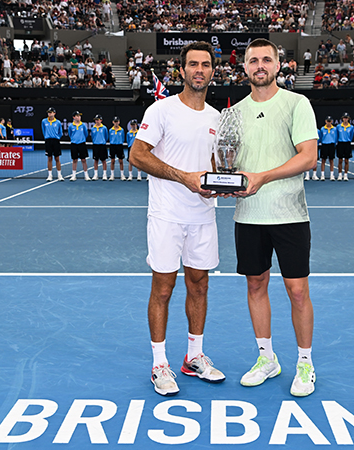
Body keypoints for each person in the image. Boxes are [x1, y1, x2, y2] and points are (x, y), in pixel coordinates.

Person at [128, 41, 225, 396]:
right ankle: (159, 363)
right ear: (182, 71)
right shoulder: (161, 110)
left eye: (205, 65)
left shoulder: (217, 118)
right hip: (167, 215)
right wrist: (183, 176)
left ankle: (194, 357)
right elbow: (137, 155)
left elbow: (214, 169)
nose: (199, 70)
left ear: (212, 71)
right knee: (164, 288)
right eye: (193, 65)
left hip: (203, 216)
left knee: (199, 284)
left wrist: (216, 185)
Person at [230, 38, 319, 397]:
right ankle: (267, 358)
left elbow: (308, 157)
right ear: (245, 68)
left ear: (278, 66)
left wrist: (263, 177)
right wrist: (222, 177)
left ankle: (305, 362)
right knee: (255, 285)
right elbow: (228, 163)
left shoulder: (298, 104)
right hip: (249, 214)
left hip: (289, 214)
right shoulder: (233, 113)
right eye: (254, 60)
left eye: (267, 59)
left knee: (297, 291)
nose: (260, 65)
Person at [68, 111, 90, 181]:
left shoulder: (83, 125)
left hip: (82, 144)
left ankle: (86, 175)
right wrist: (74, 139)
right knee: (74, 160)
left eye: (79, 116)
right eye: (77, 116)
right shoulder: (71, 126)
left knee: (83, 160)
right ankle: (73, 176)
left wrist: (81, 139)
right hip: (74, 144)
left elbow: (86, 134)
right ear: (74, 117)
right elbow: (70, 134)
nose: (79, 117)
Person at [42, 107, 64, 181]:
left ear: (54, 113)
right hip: (48, 141)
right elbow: (43, 130)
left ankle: (59, 175)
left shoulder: (58, 122)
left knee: (57, 158)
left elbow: (60, 132)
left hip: (56, 141)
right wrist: (46, 136)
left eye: (51, 112)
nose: (49, 113)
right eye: (48, 112)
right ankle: (50, 175)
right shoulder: (44, 121)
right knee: (49, 158)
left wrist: (57, 137)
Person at [315, 116, 337, 181]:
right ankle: (322, 175)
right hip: (324, 145)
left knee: (331, 160)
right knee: (323, 160)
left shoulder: (334, 129)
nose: (329, 122)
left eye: (330, 121)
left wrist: (334, 144)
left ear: (332, 122)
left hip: (331, 145)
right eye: (328, 121)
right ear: (325, 121)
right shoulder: (322, 129)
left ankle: (332, 175)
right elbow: (321, 137)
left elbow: (335, 137)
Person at [336, 112, 354, 181]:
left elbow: (351, 136)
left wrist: (348, 140)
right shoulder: (338, 126)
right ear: (342, 119)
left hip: (347, 144)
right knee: (340, 160)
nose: (345, 119)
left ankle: (345, 175)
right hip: (340, 144)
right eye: (344, 118)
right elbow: (337, 135)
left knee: (346, 161)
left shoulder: (351, 127)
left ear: (348, 119)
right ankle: (340, 175)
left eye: (346, 118)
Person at [90, 114, 109, 180]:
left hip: (102, 145)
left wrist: (102, 141)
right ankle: (95, 175)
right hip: (95, 145)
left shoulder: (104, 128)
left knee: (103, 160)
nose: (96, 121)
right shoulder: (93, 128)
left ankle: (104, 174)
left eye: (98, 120)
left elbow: (106, 137)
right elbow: (92, 137)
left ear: (101, 120)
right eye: (95, 120)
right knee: (96, 160)